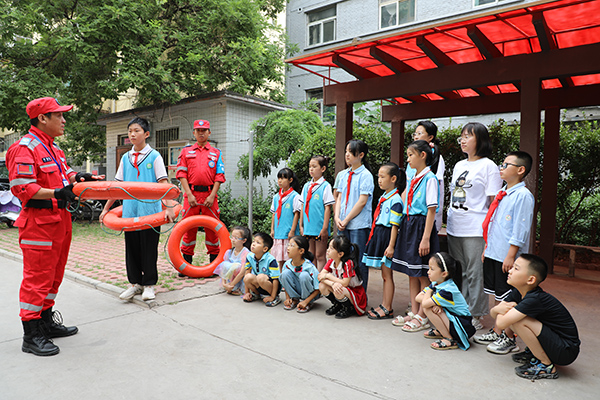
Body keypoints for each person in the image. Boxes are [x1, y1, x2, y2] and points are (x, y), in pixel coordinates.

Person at [7, 97, 104, 356]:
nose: (64, 120)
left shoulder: (53, 147)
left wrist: (79, 177)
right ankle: (31, 335)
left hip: (59, 220)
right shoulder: (24, 148)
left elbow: (65, 174)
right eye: (59, 115)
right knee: (37, 279)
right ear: (42, 118)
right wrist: (59, 193)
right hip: (39, 223)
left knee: (54, 276)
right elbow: (23, 187)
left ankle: (46, 323)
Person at [100, 117, 175, 302]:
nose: (132, 134)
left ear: (146, 134)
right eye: (130, 131)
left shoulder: (155, 156)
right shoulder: (125, 158)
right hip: (130, 213)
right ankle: (135, 284)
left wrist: (168, 207)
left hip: (150, 212)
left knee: (149, 248)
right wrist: (106, 209)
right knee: (131, 249)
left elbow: (163, 183)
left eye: (136, 131)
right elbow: (117, 187)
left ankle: (149, 285)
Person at [474, 151, 535, 355]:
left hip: (507, 256)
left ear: (520, 170)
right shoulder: (503, 192)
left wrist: (511, 255)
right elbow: (493, 224)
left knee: (509, 297)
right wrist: (487, 248)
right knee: (498, 295)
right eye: (502, 163)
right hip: (494, 251)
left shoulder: (523, 196)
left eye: (507, 164)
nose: (501, 167)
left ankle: (509, 338)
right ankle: (498, 330)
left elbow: (520, 229)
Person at [446, 122, 502, 331]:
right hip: (455, 226)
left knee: (475, 273)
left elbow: (493, 202)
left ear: (481, 140)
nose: (463, 140)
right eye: (462, 136)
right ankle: (461, 311)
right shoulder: (459, 165)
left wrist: (490, 233)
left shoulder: (489, 166)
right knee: (459, 272)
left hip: (475, 228)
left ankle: (475, 314)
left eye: (468, 136)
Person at [492, 254, 580, 380]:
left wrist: (498, 310)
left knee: (518, 321)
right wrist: (496, 309)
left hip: (565, 350)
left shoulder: (534, 299)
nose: (510, 271)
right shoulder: (518, 292)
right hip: (555, 343)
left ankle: (546, 365)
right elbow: (494, 315)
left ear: (531, 280)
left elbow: (501, 324)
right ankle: (535, 354)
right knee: (513, 318)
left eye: (516, 268)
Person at [391, 140, 440, 332]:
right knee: (411, 271)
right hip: (409, 224)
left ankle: (423, 315)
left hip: (421, 227)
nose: (408, 159)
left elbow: (431, 210)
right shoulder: (413, 177)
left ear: (423, 155)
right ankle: (414, 310)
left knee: (422, 272)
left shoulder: (430, 178)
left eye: (411, 155)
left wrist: (426, 237)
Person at [176, 119, 225, 271]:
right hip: (191, 195)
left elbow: (219, 176)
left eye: (204, 130)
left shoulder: (216, 153)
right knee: (188, 230)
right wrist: (189, 194)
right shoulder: (186, 152)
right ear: (194, 133)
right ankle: (186, 265)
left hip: (210, 196)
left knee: (212, 230)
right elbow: (181, 174)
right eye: (198, 130)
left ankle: (214, 266)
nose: (201, 133)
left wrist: (212, 195)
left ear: (209, 133)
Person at [364, 163, 405, 320]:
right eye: (378, 177)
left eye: (382, 177)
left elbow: (395, 226)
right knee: (384, 274)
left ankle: (387, 308)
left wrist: (391, 246)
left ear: (393, 179)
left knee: (387, 275)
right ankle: (383, 304)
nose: (379, 180)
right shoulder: (384, 196)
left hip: (387, 237)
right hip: (379, 235)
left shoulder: (395, 200)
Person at [334, 139, 374, 290]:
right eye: (346, 151)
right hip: (342, 223)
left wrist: (346, 219)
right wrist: (337, 217)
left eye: (351, 152)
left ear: (361, 155)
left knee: (358, 260)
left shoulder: (366, 175)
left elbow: (362, 202)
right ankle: (345, 294)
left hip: (358, 225)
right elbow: (339, 197)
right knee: (342, 258)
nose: (347, 155)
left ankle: (360, 295)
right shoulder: (344, 174)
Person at [418, 252, 475, 350]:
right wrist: (435, 303)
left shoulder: (447, 290)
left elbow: (424, 303)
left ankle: (449, 338)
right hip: (453, 320)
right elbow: (418, 297)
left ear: (444, 274)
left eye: (432, 269)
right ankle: (441, 331)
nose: (428, 272)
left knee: (427, 308)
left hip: (462, 326)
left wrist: (430, 291)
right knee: (432, 306)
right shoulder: (438, 282)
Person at [299, 155, 335, 270]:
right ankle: (313, 277)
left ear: (323, 169)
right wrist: (301, 225)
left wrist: (324, 228)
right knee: (311, 254)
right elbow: (302, 206)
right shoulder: (306, 186)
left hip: (319, 227)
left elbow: (328, 208)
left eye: (314, 166)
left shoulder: (325, 186)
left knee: (320, 255)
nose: (311, 169)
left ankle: (321, 278)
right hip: (308, 227)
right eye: (310, 166)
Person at [408, 121, 445, 231]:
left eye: (419, 133)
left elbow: (434, 188)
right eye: (415, 134)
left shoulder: (436, 158)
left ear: (430, 137)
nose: (416, 137)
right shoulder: (412, 159)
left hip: (424, 215)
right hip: (410, 213)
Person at [318, 235, 367, 319]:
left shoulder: (348, 263)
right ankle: (338, 305)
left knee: (338, 290)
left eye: (331, 248)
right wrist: (333, 284)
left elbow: (345, 283)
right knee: (322, 286)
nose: (328, 250)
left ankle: (349, 308)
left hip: (355, 292)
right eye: (328, 247)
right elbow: (320, 277)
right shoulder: (331, 261)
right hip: (343, 288)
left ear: (340, 254)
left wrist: (328, 276)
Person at [270, 168, 302, 270]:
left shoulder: (295, 196)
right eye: (279, 178)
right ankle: (282, 277)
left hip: (288, 232)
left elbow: (296, 214)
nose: (280, 181)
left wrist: (292, 230)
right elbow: (274, 214)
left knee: (290, 257)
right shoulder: (276, 197)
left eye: (283, 178)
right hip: (278, 232)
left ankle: (292, 276)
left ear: (290, 180)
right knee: (280, 259)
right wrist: (272, 229)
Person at [280, 235, 320, 313]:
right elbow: (285, 283)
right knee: (284, 274)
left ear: (301, 251)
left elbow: (318, 289)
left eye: (292, 246)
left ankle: (308, 302)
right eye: (288, 245)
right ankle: (294, 299)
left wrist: (306, 301)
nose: (288, 248)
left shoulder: (309, 267)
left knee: (304, 275)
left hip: (310, 294)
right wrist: (287, 298)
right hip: (297, 291)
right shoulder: (287, 264)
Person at [242, 232, 281, 307]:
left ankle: (275, 297)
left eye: (258, 242)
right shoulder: (249, 256)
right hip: (259, 283)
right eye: (253, 241)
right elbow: (247, 272)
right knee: (247, 277)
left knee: (261, 277)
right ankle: (257, 294)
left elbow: (275, 279)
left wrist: (273, 296)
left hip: (271, 285)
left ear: (265, 249)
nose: (253, 244)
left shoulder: (270, 259)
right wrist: (247, 292)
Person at [212, 226, 251, 295]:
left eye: (236, 238)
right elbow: (223, 268)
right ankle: (231, 287)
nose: (233, 240)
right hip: (232, 278)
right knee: (225, 264)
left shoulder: (246, 253)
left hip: (241, 278)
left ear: (244, 240)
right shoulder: (229, 252)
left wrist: (231, 285)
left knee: (237, 266)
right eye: (232, 237)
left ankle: (237, 287)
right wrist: (224, 284)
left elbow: (242, 273)